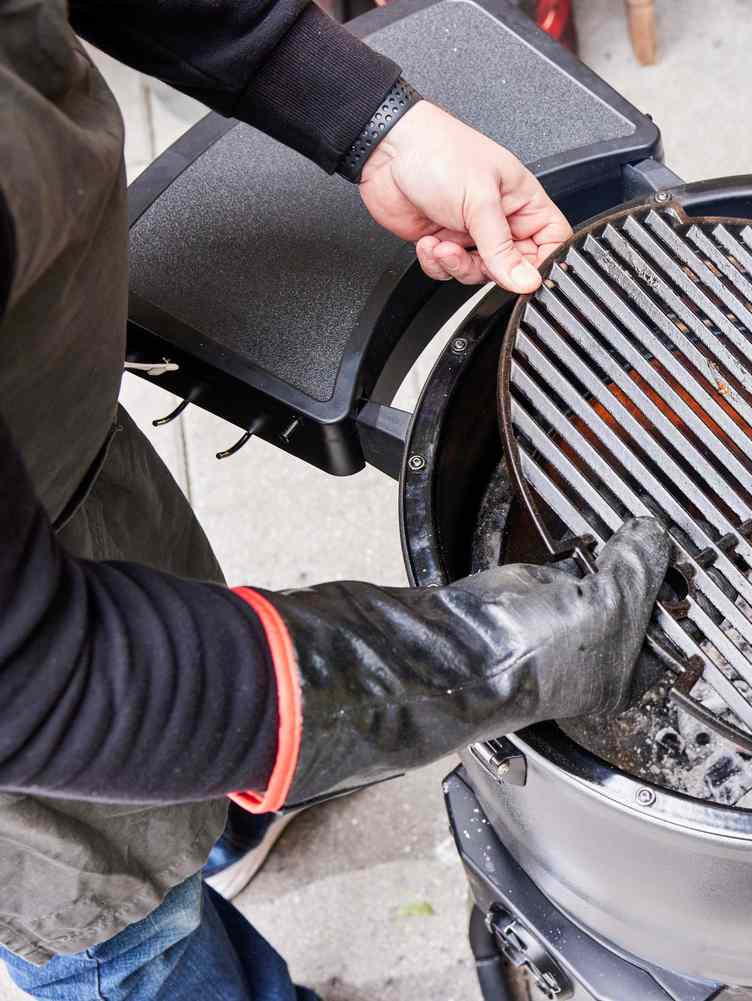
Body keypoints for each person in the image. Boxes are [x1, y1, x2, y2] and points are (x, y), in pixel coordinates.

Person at [0, 1, 672, 998]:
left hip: (41, 427)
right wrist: (480, 655)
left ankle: (221, 811)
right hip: (24, 711)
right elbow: (39, 674)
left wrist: (371, 120)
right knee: (122, 924)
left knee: (168, 624)